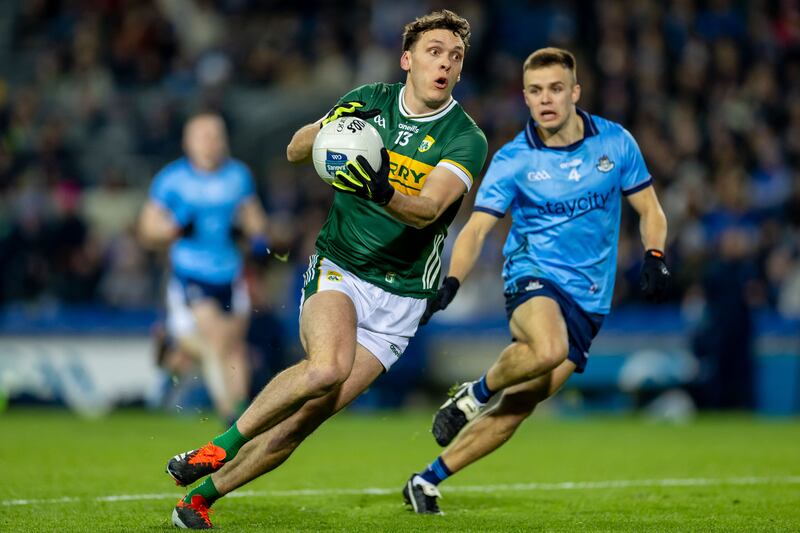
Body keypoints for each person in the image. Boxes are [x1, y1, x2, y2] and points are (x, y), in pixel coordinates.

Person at [164, 10, 487, 529]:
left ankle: (198, 500)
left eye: (455, 56)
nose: (445, 63)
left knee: (302, 423)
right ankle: (220, 445)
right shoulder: (369, 102)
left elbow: (430, 208)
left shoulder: (465, 137)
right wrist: (331, 131)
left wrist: (378, 185)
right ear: (407, 59)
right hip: (341, 267)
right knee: (327, 366)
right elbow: (296, 149)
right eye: (434, 51)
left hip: (403, 297)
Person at [403, 47, 671, 515]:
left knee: (520, 407)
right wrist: (452, 281)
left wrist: (654, 253)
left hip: (591, 299)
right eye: (535, 91)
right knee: (547, 349)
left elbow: (649, 209)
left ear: (574, 92)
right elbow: (478, 228)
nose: (545, 99)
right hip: (533, 275)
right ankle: (474, 394)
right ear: (524, 97)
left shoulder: (614, 143)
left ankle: (427, 479)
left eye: (555, 89)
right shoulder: (514, 160)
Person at [139, 112, 272, 427]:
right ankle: (232, 419)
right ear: (188, 142)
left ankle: (239, 415)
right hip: (192, 273)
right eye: (204, 136)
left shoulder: (238, 176)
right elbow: (147, 228)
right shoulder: (172, 180)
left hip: (230, 273)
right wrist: (173, 230)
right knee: (216, 341)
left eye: (216, 135)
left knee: (233, 347)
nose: (211, 143)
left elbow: (255, 218)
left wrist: (256, 235)